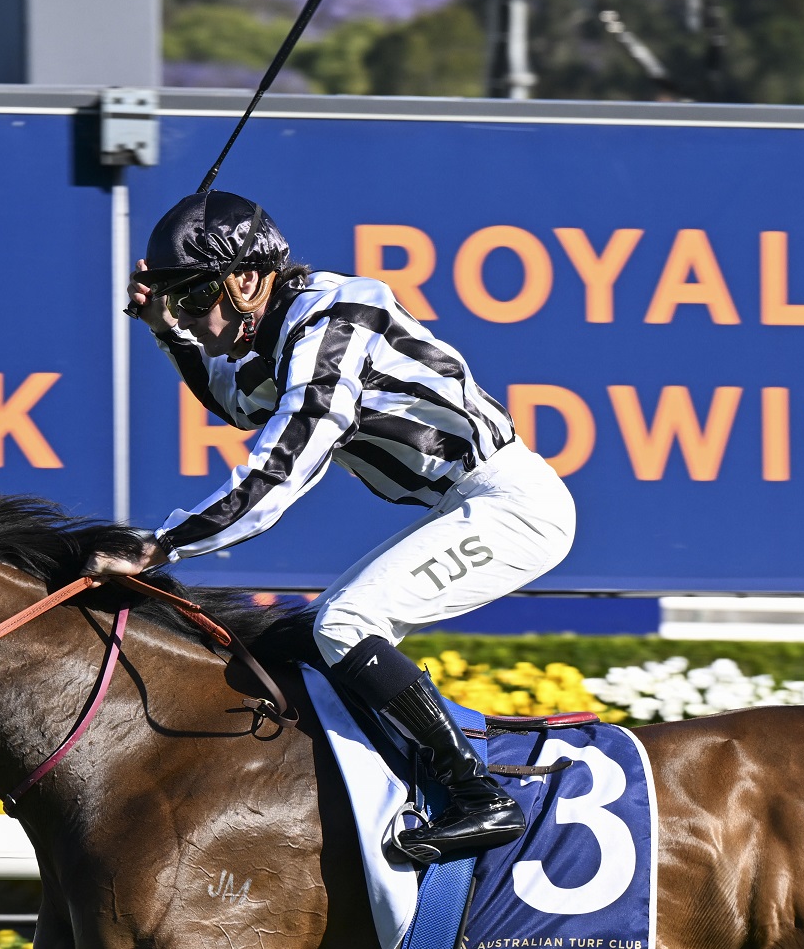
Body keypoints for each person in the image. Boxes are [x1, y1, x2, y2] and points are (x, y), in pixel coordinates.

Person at [98, 190, 578, 865]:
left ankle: (478, 797)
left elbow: (282, 469)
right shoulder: (282, 328)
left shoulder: (333, 323)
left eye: (196, 298)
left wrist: (163, 544)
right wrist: (166, 330)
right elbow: (239, 404)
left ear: (246, 280)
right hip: (465, 504)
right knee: (314, 634)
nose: (192, 319)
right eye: (179, 301)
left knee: (345, 623)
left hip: (515, 507)